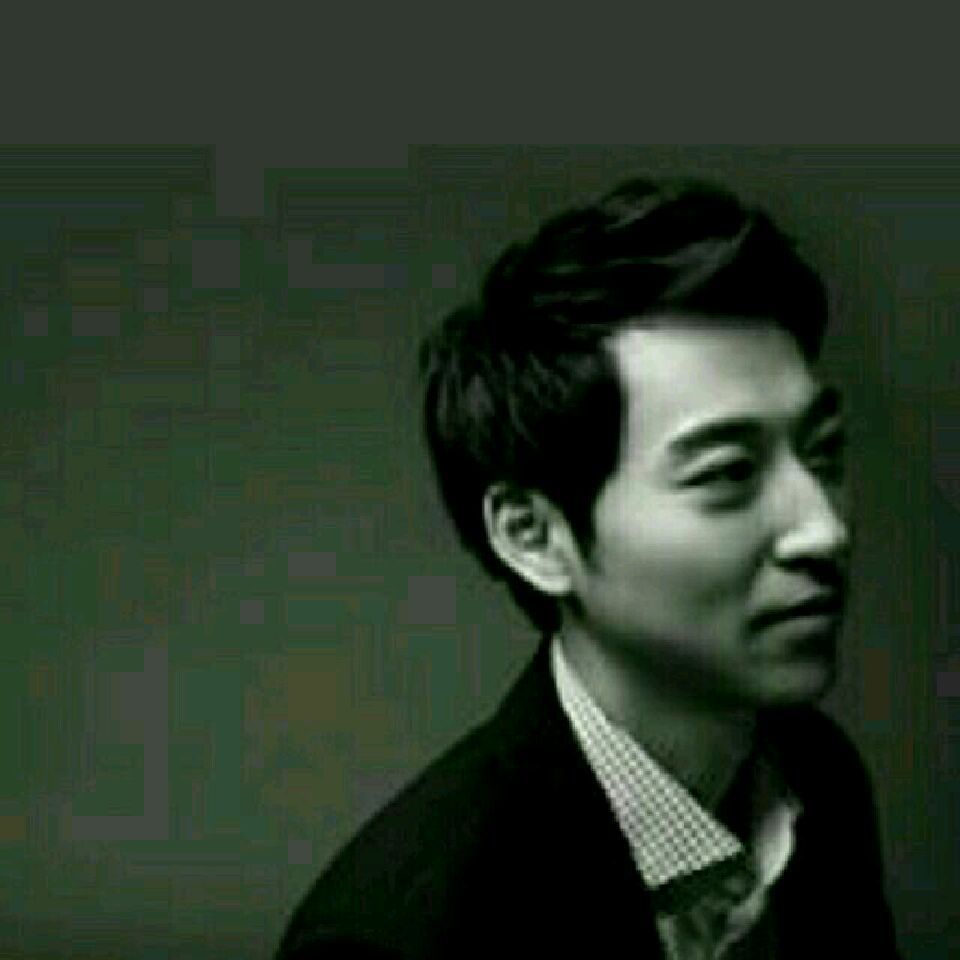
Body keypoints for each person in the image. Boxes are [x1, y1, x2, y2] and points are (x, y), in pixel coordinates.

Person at [275, 178, 902, 959]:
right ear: (534, 536)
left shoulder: (817, 778)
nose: (824, 529)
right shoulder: (397, 938)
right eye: (728, 473)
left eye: (823, 452)